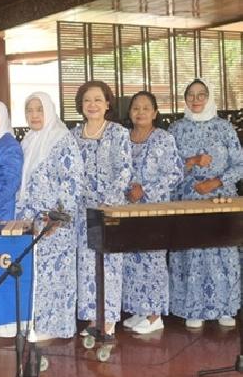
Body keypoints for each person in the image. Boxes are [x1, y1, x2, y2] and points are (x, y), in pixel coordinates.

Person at [168, 78, 242, 329]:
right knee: (192, 253)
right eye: (191, 94)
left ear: (210, 98)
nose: (196, 99)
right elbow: (168, 168)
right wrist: (191, 162)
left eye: (201, 94)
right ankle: (193, 308)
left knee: (223, 253)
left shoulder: (224, 128)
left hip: (220, 198)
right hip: (187, 198)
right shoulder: (176, 129)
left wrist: (216, 182)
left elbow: (240, 164)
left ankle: (225, 308)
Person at [15, 92, 84, 341]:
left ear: (50, 111)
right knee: (35, 274)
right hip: (31, 220)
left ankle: (54, 327)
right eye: (29, 110)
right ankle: (35, 323)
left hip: (54, 222)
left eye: (39, 109)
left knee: (55, 276)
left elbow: (73, 180)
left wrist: (58, 216)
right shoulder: (27, 141)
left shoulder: (62, 140)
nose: (34, 115)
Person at [71, 81, 132, 336]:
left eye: (98, 99)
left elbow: (125, 171)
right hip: (82, 210)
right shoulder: (73, 135)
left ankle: (108, 319)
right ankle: (91, 318)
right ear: (80, 105)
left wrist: (107, 200)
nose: (92, 104)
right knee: (86, 263)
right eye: (87, 100)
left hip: (109, 208)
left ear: (107, 104)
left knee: (110, 264)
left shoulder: (118, 133)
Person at [121, 91, 183, 334]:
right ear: (129, 112)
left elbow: (175, 174)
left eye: (146, 108)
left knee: (152, 260)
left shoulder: (164, 139)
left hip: (153, 210)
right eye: (135, 108)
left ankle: (155, 315)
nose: (140, 112)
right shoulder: (123, 138)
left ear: (155, 113)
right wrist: (127, 190)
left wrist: (145, 190)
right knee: (132, 260)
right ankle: (140, 310)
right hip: (127, 210)